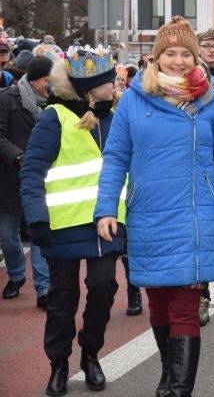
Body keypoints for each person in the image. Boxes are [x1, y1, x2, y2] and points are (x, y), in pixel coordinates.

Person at [93, 17, 214, 396]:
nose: (178, 61)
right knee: (159, 304)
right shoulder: (134, 97)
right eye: (170, 53)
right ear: (156, 56)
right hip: (147, 213)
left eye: (185, 53)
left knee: (183, 305)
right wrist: (106, 208)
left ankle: (179, 389)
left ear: (196, 56)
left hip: (194, 213)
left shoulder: (210, 95)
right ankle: (169, 378)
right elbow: (115, 156)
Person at [20, 46, 125, 396]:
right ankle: (59, 362)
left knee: (104, 288)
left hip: (107, 222)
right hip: (61, 224)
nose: (116, 86)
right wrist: (37, 220)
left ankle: (91, 353)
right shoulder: (55, 117)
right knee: (62, 298)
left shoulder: (116, 116)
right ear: (90, 89)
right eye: (110, 82)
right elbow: (33, 170)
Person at [0, 56, 52, 308]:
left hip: (40, 180)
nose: (49, 85)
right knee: (8, 236)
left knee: (39, 234)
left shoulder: (54, 104)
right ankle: (16, 275)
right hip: (9, 178)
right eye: (46, 80)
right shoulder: (6, 99)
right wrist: (18, 155)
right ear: (33, 79)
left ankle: (44, 289)